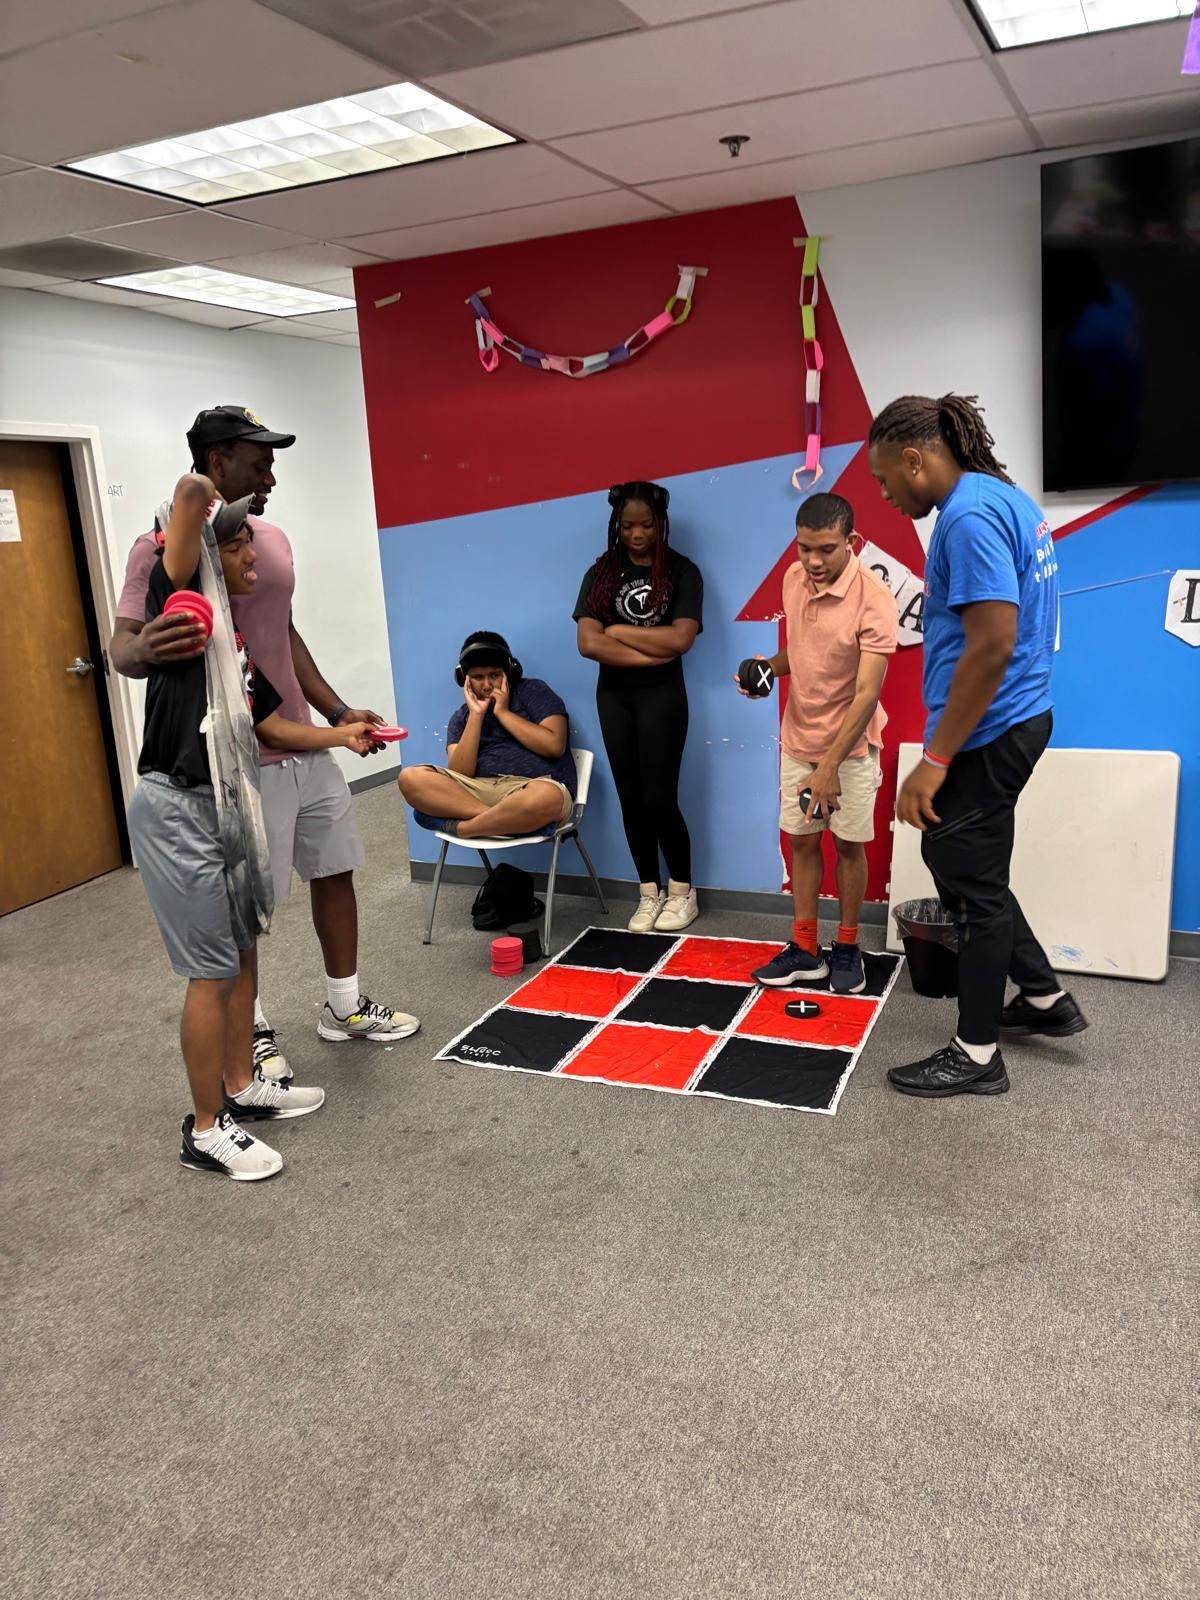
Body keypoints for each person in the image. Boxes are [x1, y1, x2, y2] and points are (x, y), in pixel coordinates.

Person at [110, 406, 418, 1068]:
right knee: (247, 908)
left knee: (335, 869)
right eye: (259, 460)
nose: (272, 473)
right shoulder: (159, 544)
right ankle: (248, 1036)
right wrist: (149, 650)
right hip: (236, 763)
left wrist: (336, 712)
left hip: (302, 739)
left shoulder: (268, 538)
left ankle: (345, 1005)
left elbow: (284, 633)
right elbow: (124, 647)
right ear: (217, 462)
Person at [129, 477, 377, 1179]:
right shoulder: (182, 616)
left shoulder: (233, 643)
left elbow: (270, 722)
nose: (254, 560)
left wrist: (342, 736)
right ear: (209, 556)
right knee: (210, 970)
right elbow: (180, 536)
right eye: (238, 548)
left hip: (226, 807)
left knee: (240, 952)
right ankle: (205, 1127)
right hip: (177, 808)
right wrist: (196, 491)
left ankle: (243, 1087)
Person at [867, 392, 1087, 1100]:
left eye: (883, 480)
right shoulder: (1003, 495)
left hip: (994, 727)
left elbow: (990, 646)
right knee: (962, 863)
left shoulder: (965, 517)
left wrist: (933, 761)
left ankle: (977, 1051)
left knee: (970, 881)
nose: (885, 494)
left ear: (914, 458)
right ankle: (1047, 1000)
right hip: (1018, 718)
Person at [737, 493, 897, 994]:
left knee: (848, 846)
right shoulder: (792, 579)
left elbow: (868, 694)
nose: (813, 561)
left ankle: (847, 948)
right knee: (802, 841)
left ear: (850, 541)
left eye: (826, 549)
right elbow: (801, 651)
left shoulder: (875, 599)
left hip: (849, 749)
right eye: (805, 548)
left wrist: (828, 767)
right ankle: (806, 949)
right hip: (798, 738)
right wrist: (769, 667)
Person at [574, 481, 703, 933]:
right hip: (615, 697)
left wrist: (619, 633)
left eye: (646, 524)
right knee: (632, 798)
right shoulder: (601, 572)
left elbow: (681, 639)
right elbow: (588, 643)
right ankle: (649, 892)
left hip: (663, 696)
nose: (637, 533)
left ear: (660, 523)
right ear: (616, 524)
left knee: (660, 797)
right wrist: (654, 647)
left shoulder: (683, 572)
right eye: (628, 525)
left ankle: (683, 891)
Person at [397, 632, 576, 838]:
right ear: (464, 679)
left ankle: (465, 828)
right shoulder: (462, 717)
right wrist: (476, 715)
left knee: (546, 797)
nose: (487, 685)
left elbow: (554, 746)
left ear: (509, 672)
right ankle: (511, 822)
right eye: (478, 677)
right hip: (479, 791)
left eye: (494, 675)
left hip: (532, 788)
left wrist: (503, 713)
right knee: (410, 778)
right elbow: (460, 773)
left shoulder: (533, 691)